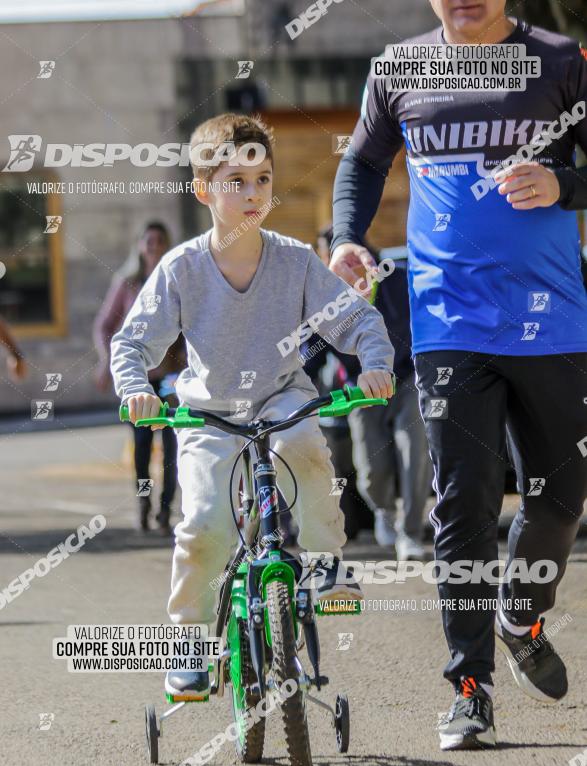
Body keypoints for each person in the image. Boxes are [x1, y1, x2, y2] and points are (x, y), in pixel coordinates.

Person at [331, 0, 587, 749]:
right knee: (462, 506)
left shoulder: (559, 60)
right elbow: (363, 161)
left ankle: (518, 615)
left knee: (558, 498)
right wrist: (348, 237)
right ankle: (468, 687)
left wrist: (562, 185)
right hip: (448, 324)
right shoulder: (398, 68)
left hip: (551, 320)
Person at [110, 113, 395, 700]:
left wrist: (376, 366)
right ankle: (190, 644)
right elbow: (132, 342)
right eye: (235, 181)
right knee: (203, 524)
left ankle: (324, 563)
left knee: (308, 453)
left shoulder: (293, 261)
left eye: (262, 179)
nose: (251, 193)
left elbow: (360, 320)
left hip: (279, 400)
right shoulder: (181, 268)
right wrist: (135, 388)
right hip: (207, 414)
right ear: (204, 190)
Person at [317, 225, 431, 560]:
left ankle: (410, 534)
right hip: (359, 387)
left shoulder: (397, 280)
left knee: (415, 451)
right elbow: (307, 351)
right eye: (333, 259)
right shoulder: (323, 298)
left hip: (407, 378)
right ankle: (383, 511)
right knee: (370, 467)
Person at [93, 221, 186, 536]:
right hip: (140, 381)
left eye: (160, 240)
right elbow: (105, 326)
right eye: (149, 241)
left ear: (167, 245)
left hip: (172, 378)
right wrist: (108, 363)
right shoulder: (128, 283)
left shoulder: (177, 279)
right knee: (142, 447)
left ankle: (165, 510)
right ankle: (144, 504)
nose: (154, 246)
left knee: (173, 446)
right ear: (140, 246)